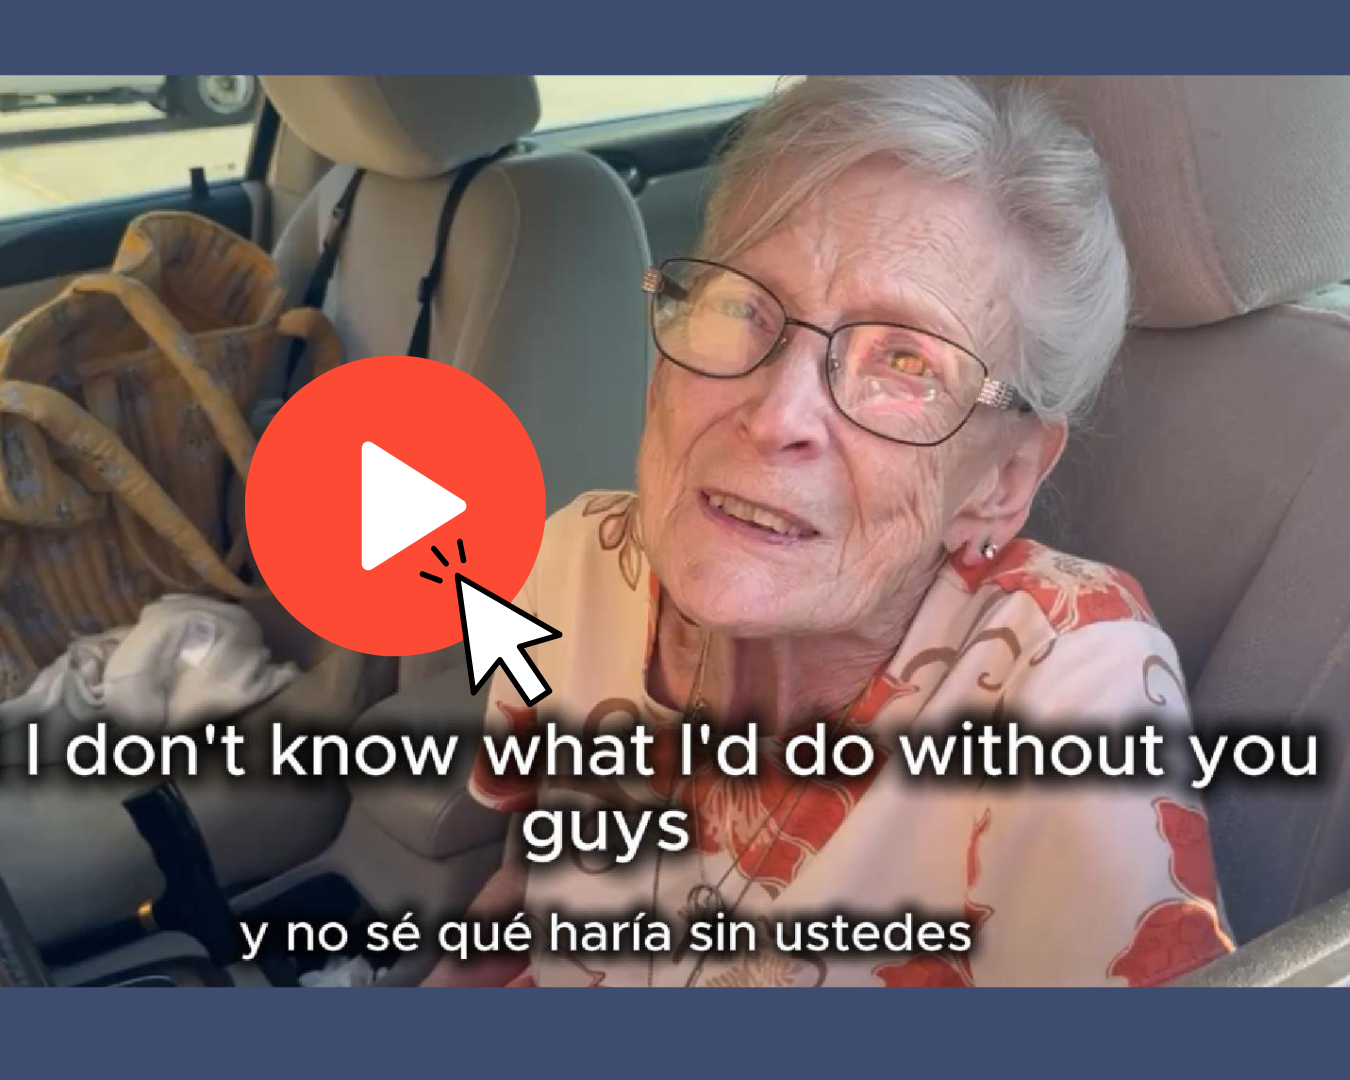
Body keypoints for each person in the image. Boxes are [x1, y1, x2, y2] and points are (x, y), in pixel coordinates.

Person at [425, 75, 1232, 987]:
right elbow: (521, 884)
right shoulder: (570, 562)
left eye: (904, 359)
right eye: (742, 309)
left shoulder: (1062, 673)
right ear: (661, 371)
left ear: (1001, 482)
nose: (776, 415)